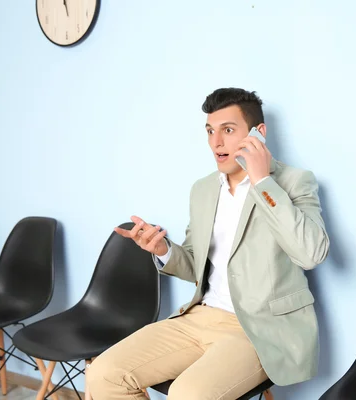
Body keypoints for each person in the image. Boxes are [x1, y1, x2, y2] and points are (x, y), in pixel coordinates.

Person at [88, 88, 330, 400]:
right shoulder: (203, 190)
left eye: (228, 130)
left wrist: (262, 182)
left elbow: (311, 254)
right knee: (104, 374)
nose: (216, 142)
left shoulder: (294, 182)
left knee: (187, 395)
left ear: (259, 133)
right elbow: (195, 264)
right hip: (199, 317)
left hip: (259, 330)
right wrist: (163, 251)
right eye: (210, 131)